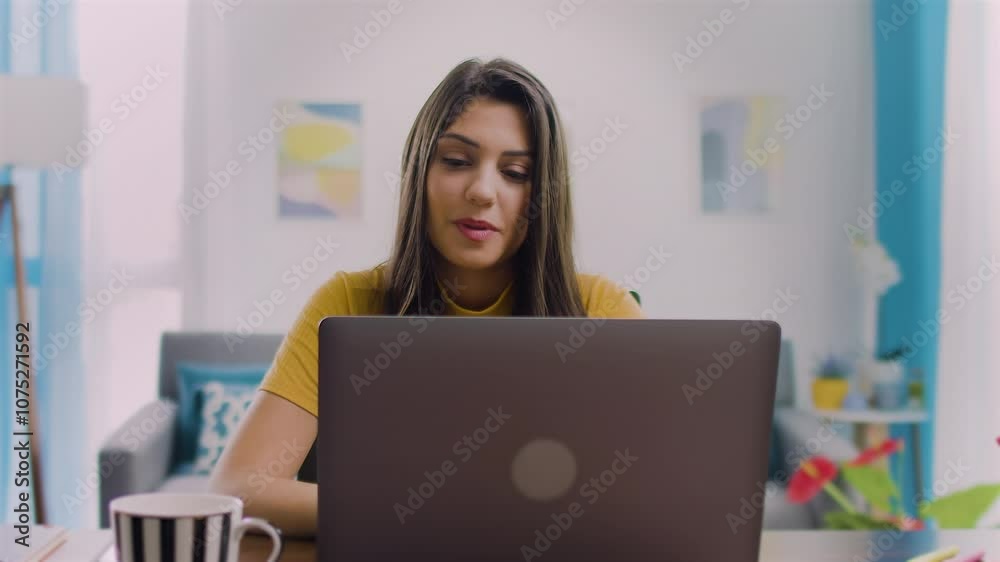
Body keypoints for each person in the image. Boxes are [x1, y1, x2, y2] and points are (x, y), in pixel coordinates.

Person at [208, 57, 643, 537]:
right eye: (456, 162)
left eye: (516, 172)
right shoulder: (347, 302)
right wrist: (436, 509)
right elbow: (239, 488)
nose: (481, 191)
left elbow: (647, 494)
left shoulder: (602, 308)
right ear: (419, 173)